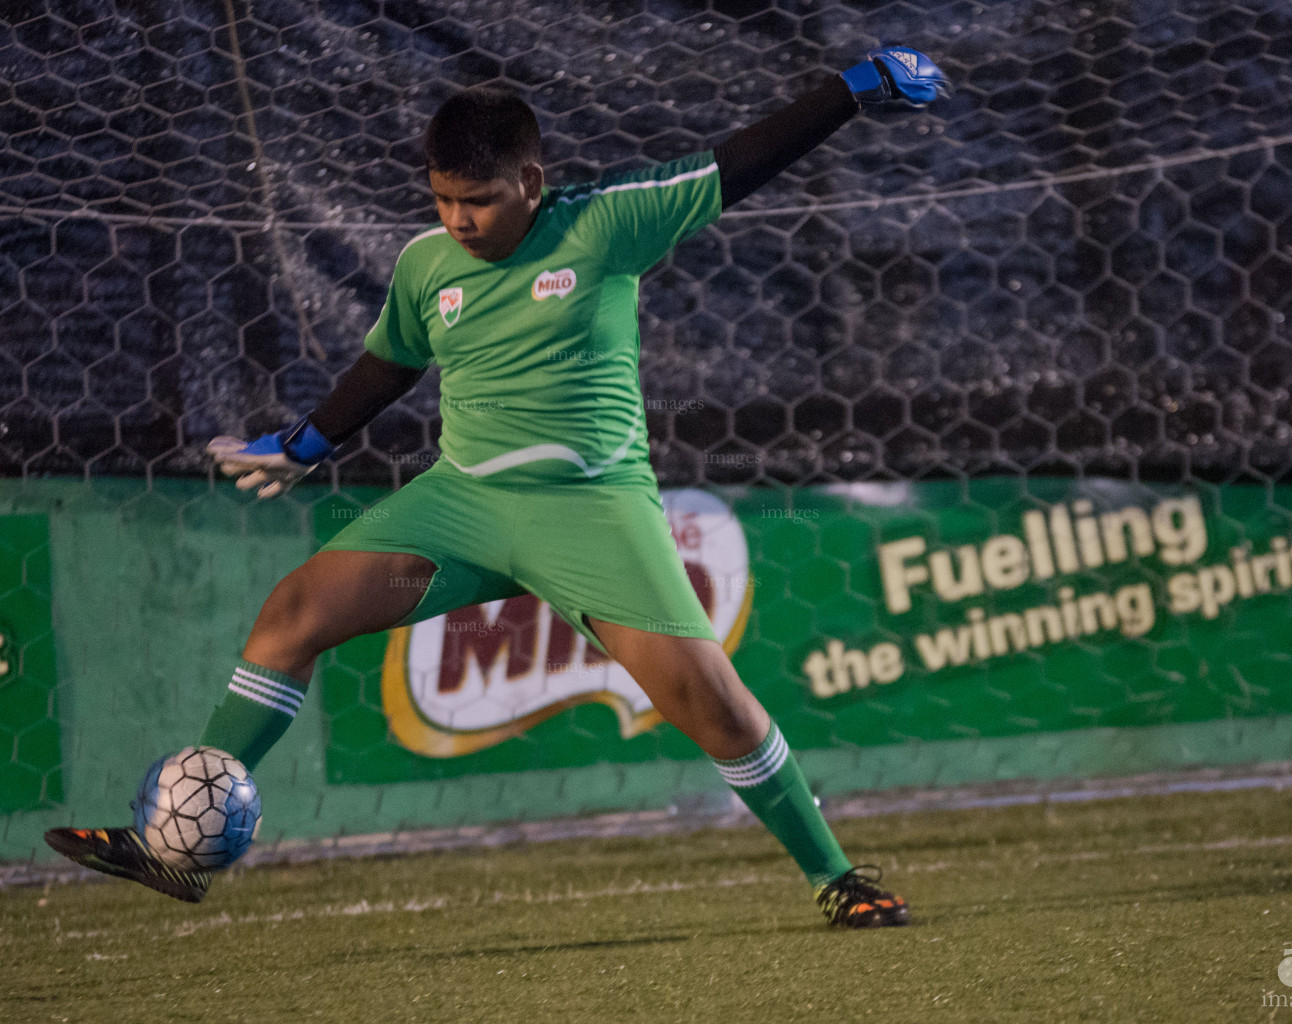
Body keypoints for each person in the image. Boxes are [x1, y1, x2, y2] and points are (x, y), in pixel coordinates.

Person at [46, 47, 949, 928]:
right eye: (442, 199)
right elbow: (388, 365)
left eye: (477, 200)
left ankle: (836, 878)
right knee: (293, 613)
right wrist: (306, 443)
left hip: (591, 513)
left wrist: (851, 89)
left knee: (715, 708)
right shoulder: (424, 266)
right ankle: (177, 851)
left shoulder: (606, 223)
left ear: (531, 179)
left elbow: (737, 161)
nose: (459, 221)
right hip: (462, 510)